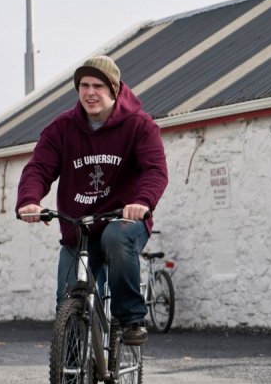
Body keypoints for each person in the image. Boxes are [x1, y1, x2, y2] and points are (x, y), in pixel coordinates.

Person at [17, 55, 168, 345]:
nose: (90, 92)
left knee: (116, 237)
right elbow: (38, 168)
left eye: (98, 85)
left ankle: (130, 319)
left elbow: (155, 170)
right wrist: (30, 200)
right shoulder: (61, 129)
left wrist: (143, 201)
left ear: (114, 89)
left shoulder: (139, 125)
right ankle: (71, 380)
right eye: (84, 85)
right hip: (80, 226)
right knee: (68, 299)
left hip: (124, 219)